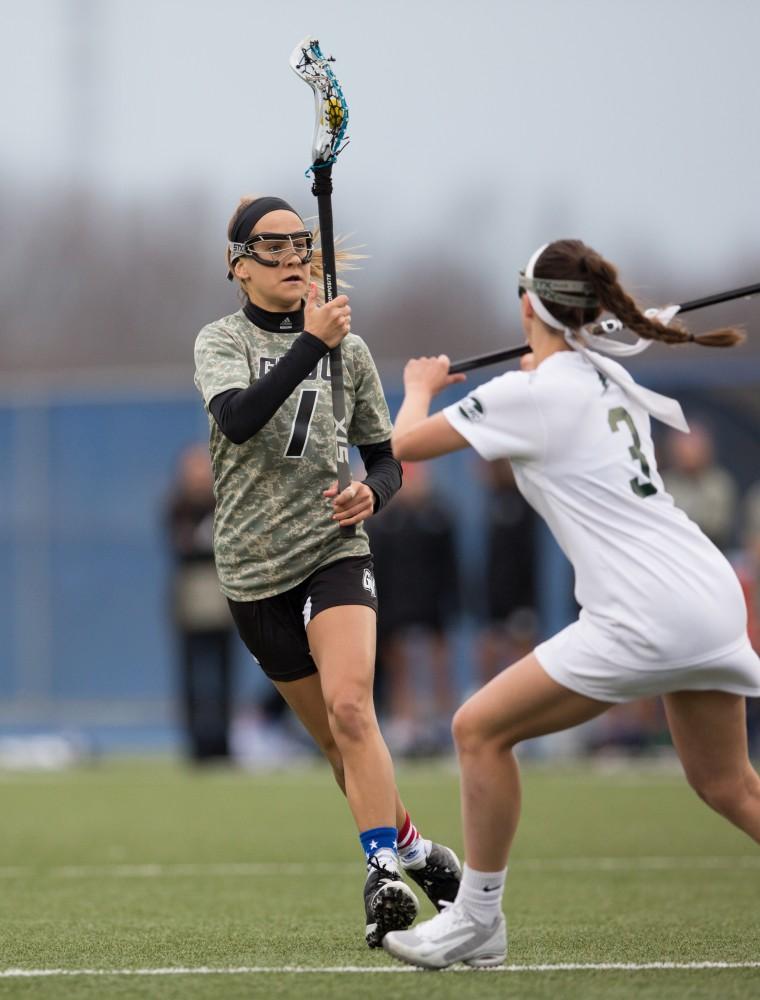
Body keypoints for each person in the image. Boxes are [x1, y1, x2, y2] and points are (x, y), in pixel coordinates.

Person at [380, 238, 760, 970]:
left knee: (478, 729)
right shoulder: (606, 376)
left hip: (645, 610)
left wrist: (420, 384)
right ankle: (478, 923)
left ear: (528, 304)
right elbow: (562, 388)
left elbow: (403, 445)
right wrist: (541, 363)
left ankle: (478, 921)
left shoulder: (533, 393)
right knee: (726, 784)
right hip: (705, 593)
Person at [193, 195, 461, 949]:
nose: (287, 260)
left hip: (332, 552)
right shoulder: (220, 341)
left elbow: (386, 456)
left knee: (353, 711)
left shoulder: (354, 350)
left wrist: (370, 494)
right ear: (238, 265)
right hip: (251, 573)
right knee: (341, 750)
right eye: (269, 249)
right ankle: (415, 849)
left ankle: (381, 870)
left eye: (298, 247)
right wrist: (312, 343)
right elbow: (240, 419)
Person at [365, 461, 460, 755]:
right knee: (399, 667)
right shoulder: (385, 523)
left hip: (431, 606)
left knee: (437, 663)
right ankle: (405, 725)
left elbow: (449, 567)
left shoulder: (438, 518)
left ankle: (445, 724)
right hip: (396, 607)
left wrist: (452, 603)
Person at [166, 443, 236, 762]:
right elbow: (182, 549)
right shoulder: (177, 506)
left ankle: (222, 740)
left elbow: (229, 547)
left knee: (223, 672)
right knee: (192, 673)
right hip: (191, 602)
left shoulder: (223, 503)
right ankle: (196, 741)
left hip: (222, 600)